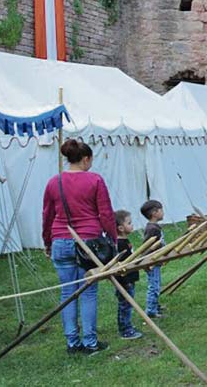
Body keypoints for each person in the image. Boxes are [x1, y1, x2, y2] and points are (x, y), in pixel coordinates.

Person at [42, 139, 116, 355]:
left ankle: (72, 342)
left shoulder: (54, 182)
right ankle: (90, 342)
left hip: (61, 240)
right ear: (86, 159)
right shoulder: (95, 180)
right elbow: (105, 213)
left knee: (68, 292)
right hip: (88, 242)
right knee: (88, 292)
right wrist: (112, 238)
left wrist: (47, 241)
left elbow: (47, 216)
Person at [114, 210, 143, 340]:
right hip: (125, 280)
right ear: (121, 228)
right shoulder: (120, 244)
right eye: (129, 223)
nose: (132, 225)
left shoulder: (125, 241)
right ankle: (125, 330)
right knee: (125, 305)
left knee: (127, 304)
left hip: (129, 279)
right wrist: (126, 280)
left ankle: (127, 325)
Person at [141, 200, 165, 318]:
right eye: (161, 210)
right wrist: (148, 262)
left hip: (156, 260)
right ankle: (151, 310)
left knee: (157, 284)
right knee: (154, 286)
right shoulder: (152, 229)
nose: (163, 212)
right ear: (154, 213)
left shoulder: (154, 227)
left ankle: (155, 305)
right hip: (152, 262)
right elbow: (147, 247)